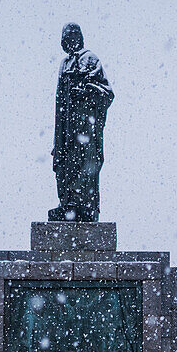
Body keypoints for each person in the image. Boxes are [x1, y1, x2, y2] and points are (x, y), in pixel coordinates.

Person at [50, 22, 114, 222]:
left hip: (85, 125)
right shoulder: (64, 64)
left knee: (84, 163)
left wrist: (87, 94)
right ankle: (67, 202)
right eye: (66, 38)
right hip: (66, 126)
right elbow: (60, 100)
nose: (70, 42)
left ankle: (84, 204)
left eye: (73, 37)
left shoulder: (90, 59)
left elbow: (107, 93)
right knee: (65, 163)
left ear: (79, 38)